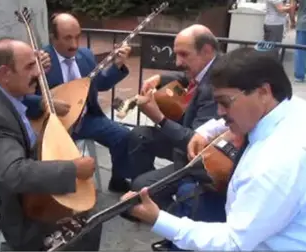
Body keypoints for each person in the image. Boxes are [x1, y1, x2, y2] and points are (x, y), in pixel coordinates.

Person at [122, 47, 306, 250]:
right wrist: (211, 129)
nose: (219, 112)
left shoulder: (274, 165)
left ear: (263, 92)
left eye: (225, 103)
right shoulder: (291, 108)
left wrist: (158, 219)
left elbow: (234, 243)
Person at [0, 37, 102, 251]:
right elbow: (12, 172)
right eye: (29, 66)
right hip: (18, 211)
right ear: (4, 74)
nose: (38, 72)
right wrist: (73, 169)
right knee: (91, 223)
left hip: (19, 195)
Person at [23, 12, 133, 193]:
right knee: (61, 165)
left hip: (87, 119)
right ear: (53, 38)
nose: (74, 44)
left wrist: (118, 65)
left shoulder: (86, 55)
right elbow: (24, 99)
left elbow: (99, 84)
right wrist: (45, 102)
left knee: (123, 136)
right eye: (67, 38)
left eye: (77, 37)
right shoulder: (40, 60)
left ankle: (118, 180)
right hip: (55, 126)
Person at [126, 24, 222, 210]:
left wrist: (159, 118)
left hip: (199, 158)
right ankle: (151, 193)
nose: (177, 61)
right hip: (183, 142)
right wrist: (160, 78)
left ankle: (174, 213)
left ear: (207, 50)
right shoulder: (207, 66)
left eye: (184, 55)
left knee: (139, 186)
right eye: (176, 54)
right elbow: (185, 75)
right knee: (138, 135)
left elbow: (196, 144)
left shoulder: (216, 86)